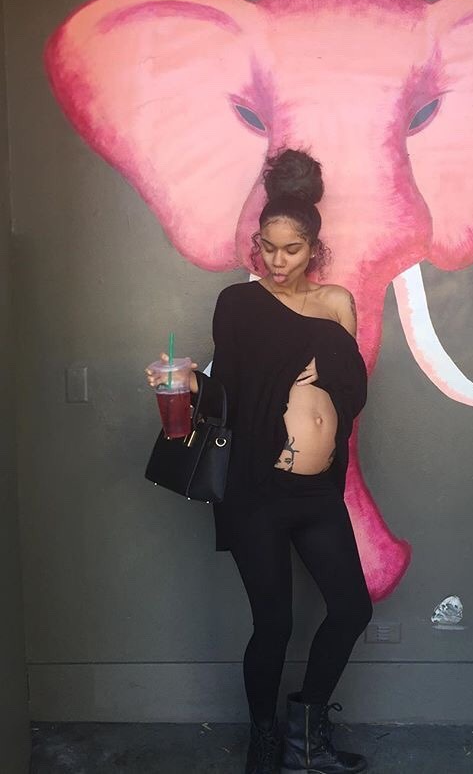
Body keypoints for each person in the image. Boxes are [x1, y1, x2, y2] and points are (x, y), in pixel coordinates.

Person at [146, 149, 372, 774]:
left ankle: (307, 736)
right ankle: (265, 742)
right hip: (257, 491)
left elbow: (354, 393)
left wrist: (322, 374)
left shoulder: (337, 302)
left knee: (351, 608)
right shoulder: (238, 304)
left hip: (318, 493)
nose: (277, 260)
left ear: (313, 249)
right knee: (274, 624)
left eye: (291, 249)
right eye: (267, 248)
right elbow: (229, 394)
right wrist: (186, 382)